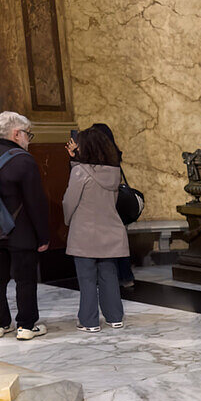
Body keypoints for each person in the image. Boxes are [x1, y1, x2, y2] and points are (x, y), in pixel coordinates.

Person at [63, 125, 128, 332]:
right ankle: (115, 317)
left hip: (84, 233)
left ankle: (89, 321)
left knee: (87, 278)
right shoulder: (114, 172)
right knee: (109, 275)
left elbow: (69, 202)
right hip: (110, 231)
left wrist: (68, 222)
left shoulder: (79, 172)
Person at [0, 111, 50, 340]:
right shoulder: (23, 160)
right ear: (17, 134)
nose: (28, 139)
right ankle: (26, 326)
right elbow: (36, 203)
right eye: (28, 134)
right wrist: (43, 237)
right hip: (21, 233)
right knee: (25, 281)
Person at [91, 122, 134, 289]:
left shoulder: (94, 160)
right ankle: (126, 277)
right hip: (116, 206)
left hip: (103, 206)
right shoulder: (114, 155)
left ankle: (110, 277)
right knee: (119, 244)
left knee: (107, 245)